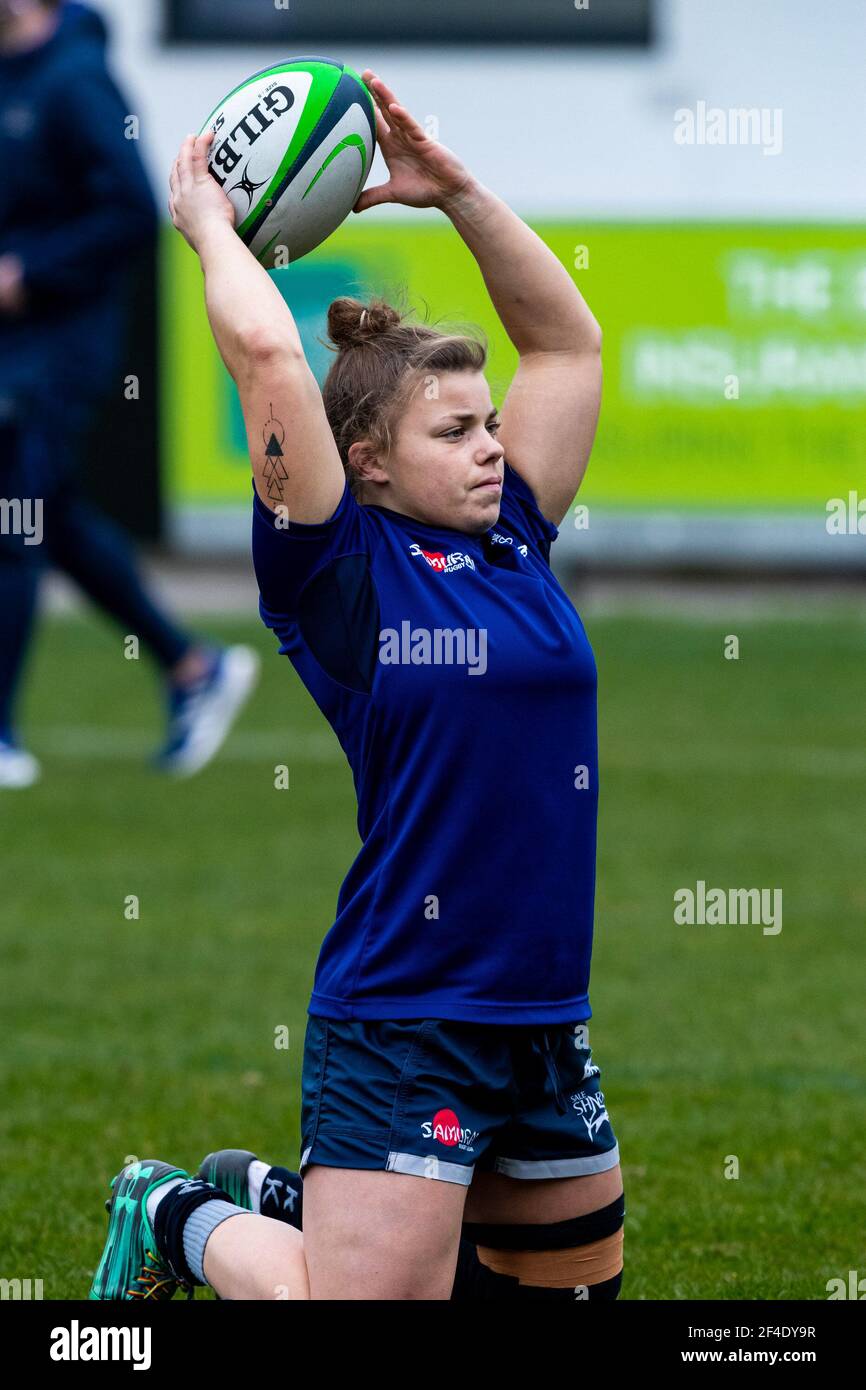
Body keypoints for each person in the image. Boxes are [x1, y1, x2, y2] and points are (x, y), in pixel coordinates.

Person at [90, 69, 622, 1302]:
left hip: (543, 1021)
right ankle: (170, 1208)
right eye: (454, 433)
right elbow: (268, 348)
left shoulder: (514, 537)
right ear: (366, 463)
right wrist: (212, 229)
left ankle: (291, 1195)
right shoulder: (338, 573)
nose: (491, 446)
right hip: (405, 1018)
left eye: (490, 424)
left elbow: (567, 343)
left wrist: (458, 196)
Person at [0, 0, 258, 787]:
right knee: (53, 516)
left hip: (60, 343)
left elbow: (131, 212)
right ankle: (192, 665)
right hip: (13, 345)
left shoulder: (77, 78)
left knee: (15, 518)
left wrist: (29, 274)